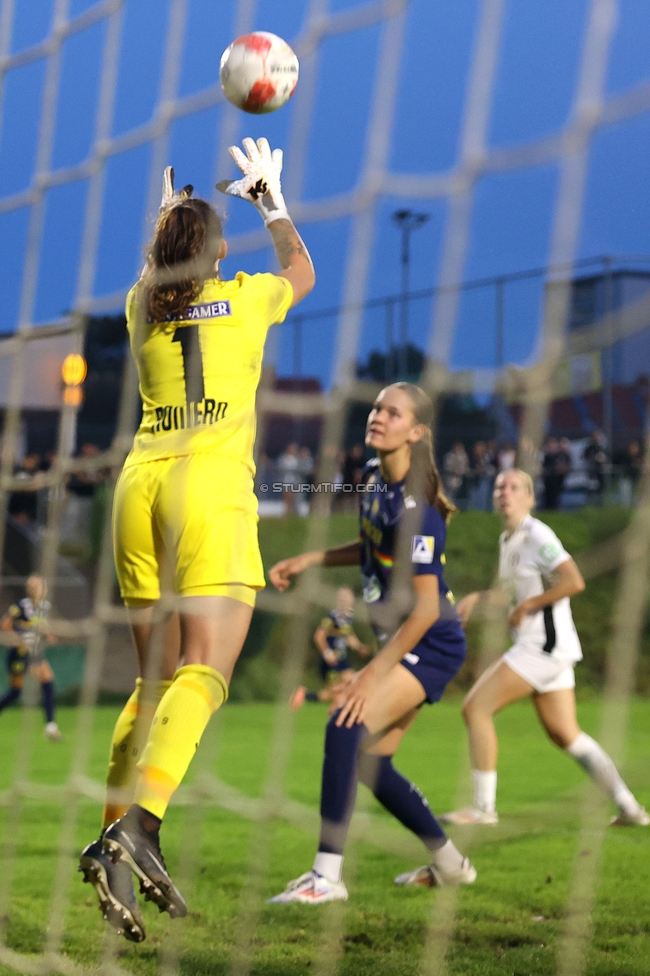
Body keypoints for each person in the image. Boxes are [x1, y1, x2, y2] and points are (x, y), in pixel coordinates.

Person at [78, 139, 315, 941]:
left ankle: (115, 842)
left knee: (152, 684)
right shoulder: (245, 297)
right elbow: (303, 273)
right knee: (205, 672)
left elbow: (159, 269)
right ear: (218, 252)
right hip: (207, 489)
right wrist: (270, 201)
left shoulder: (142, 305)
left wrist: (170, 216)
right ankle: (137, 827)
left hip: (138, 487)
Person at [267, 382, 476, 904]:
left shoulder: (420, 509)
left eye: (393, 411)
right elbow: (370, 543)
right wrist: (311, 559)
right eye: (377, 407)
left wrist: (370, 673)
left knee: (343, 728)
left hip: (431, 644)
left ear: (417, 431)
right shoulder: (373, 479)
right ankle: (451, 865)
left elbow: (427, 609)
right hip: (406, 641)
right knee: (371, 765)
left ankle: (326, 878)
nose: (378, 416)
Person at [441, 468, 648, 828]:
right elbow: (510, 595)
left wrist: (528, 606)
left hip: (543, 647)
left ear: (530, 498)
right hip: (546, 650)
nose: (504, 491)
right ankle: (630, 808)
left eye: (514, 486)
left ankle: (483, 809)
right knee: (566, 735)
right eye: (499, 486)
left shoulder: (538, 534)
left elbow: (573, 581)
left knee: (475, 708)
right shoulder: (509, 541)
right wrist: (477, 599)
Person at [0, 574, 61, 740]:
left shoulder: (44, 607)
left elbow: (42, 624)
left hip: (34, 653)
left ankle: (50, 727)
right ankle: (50, 727)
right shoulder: (21, 606)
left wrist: (49, 634)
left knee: (48, 682)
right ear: (29, 589)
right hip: (20, 654)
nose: (36, 589)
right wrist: (19, 641)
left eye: (39, 586)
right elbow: (5, 624)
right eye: (33, 586)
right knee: (15, 692)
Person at [290, 586, 369, 709]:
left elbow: (348, 636)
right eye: (343, 597)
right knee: (351, 683)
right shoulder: (332, 617)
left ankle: (304, 695)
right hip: (333, 660)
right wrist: (328, 654)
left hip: (342, 658)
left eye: (347, 597)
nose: (345, 600)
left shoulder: (347, 618)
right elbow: (319, 636)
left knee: (332, 694)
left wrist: (359, 647)